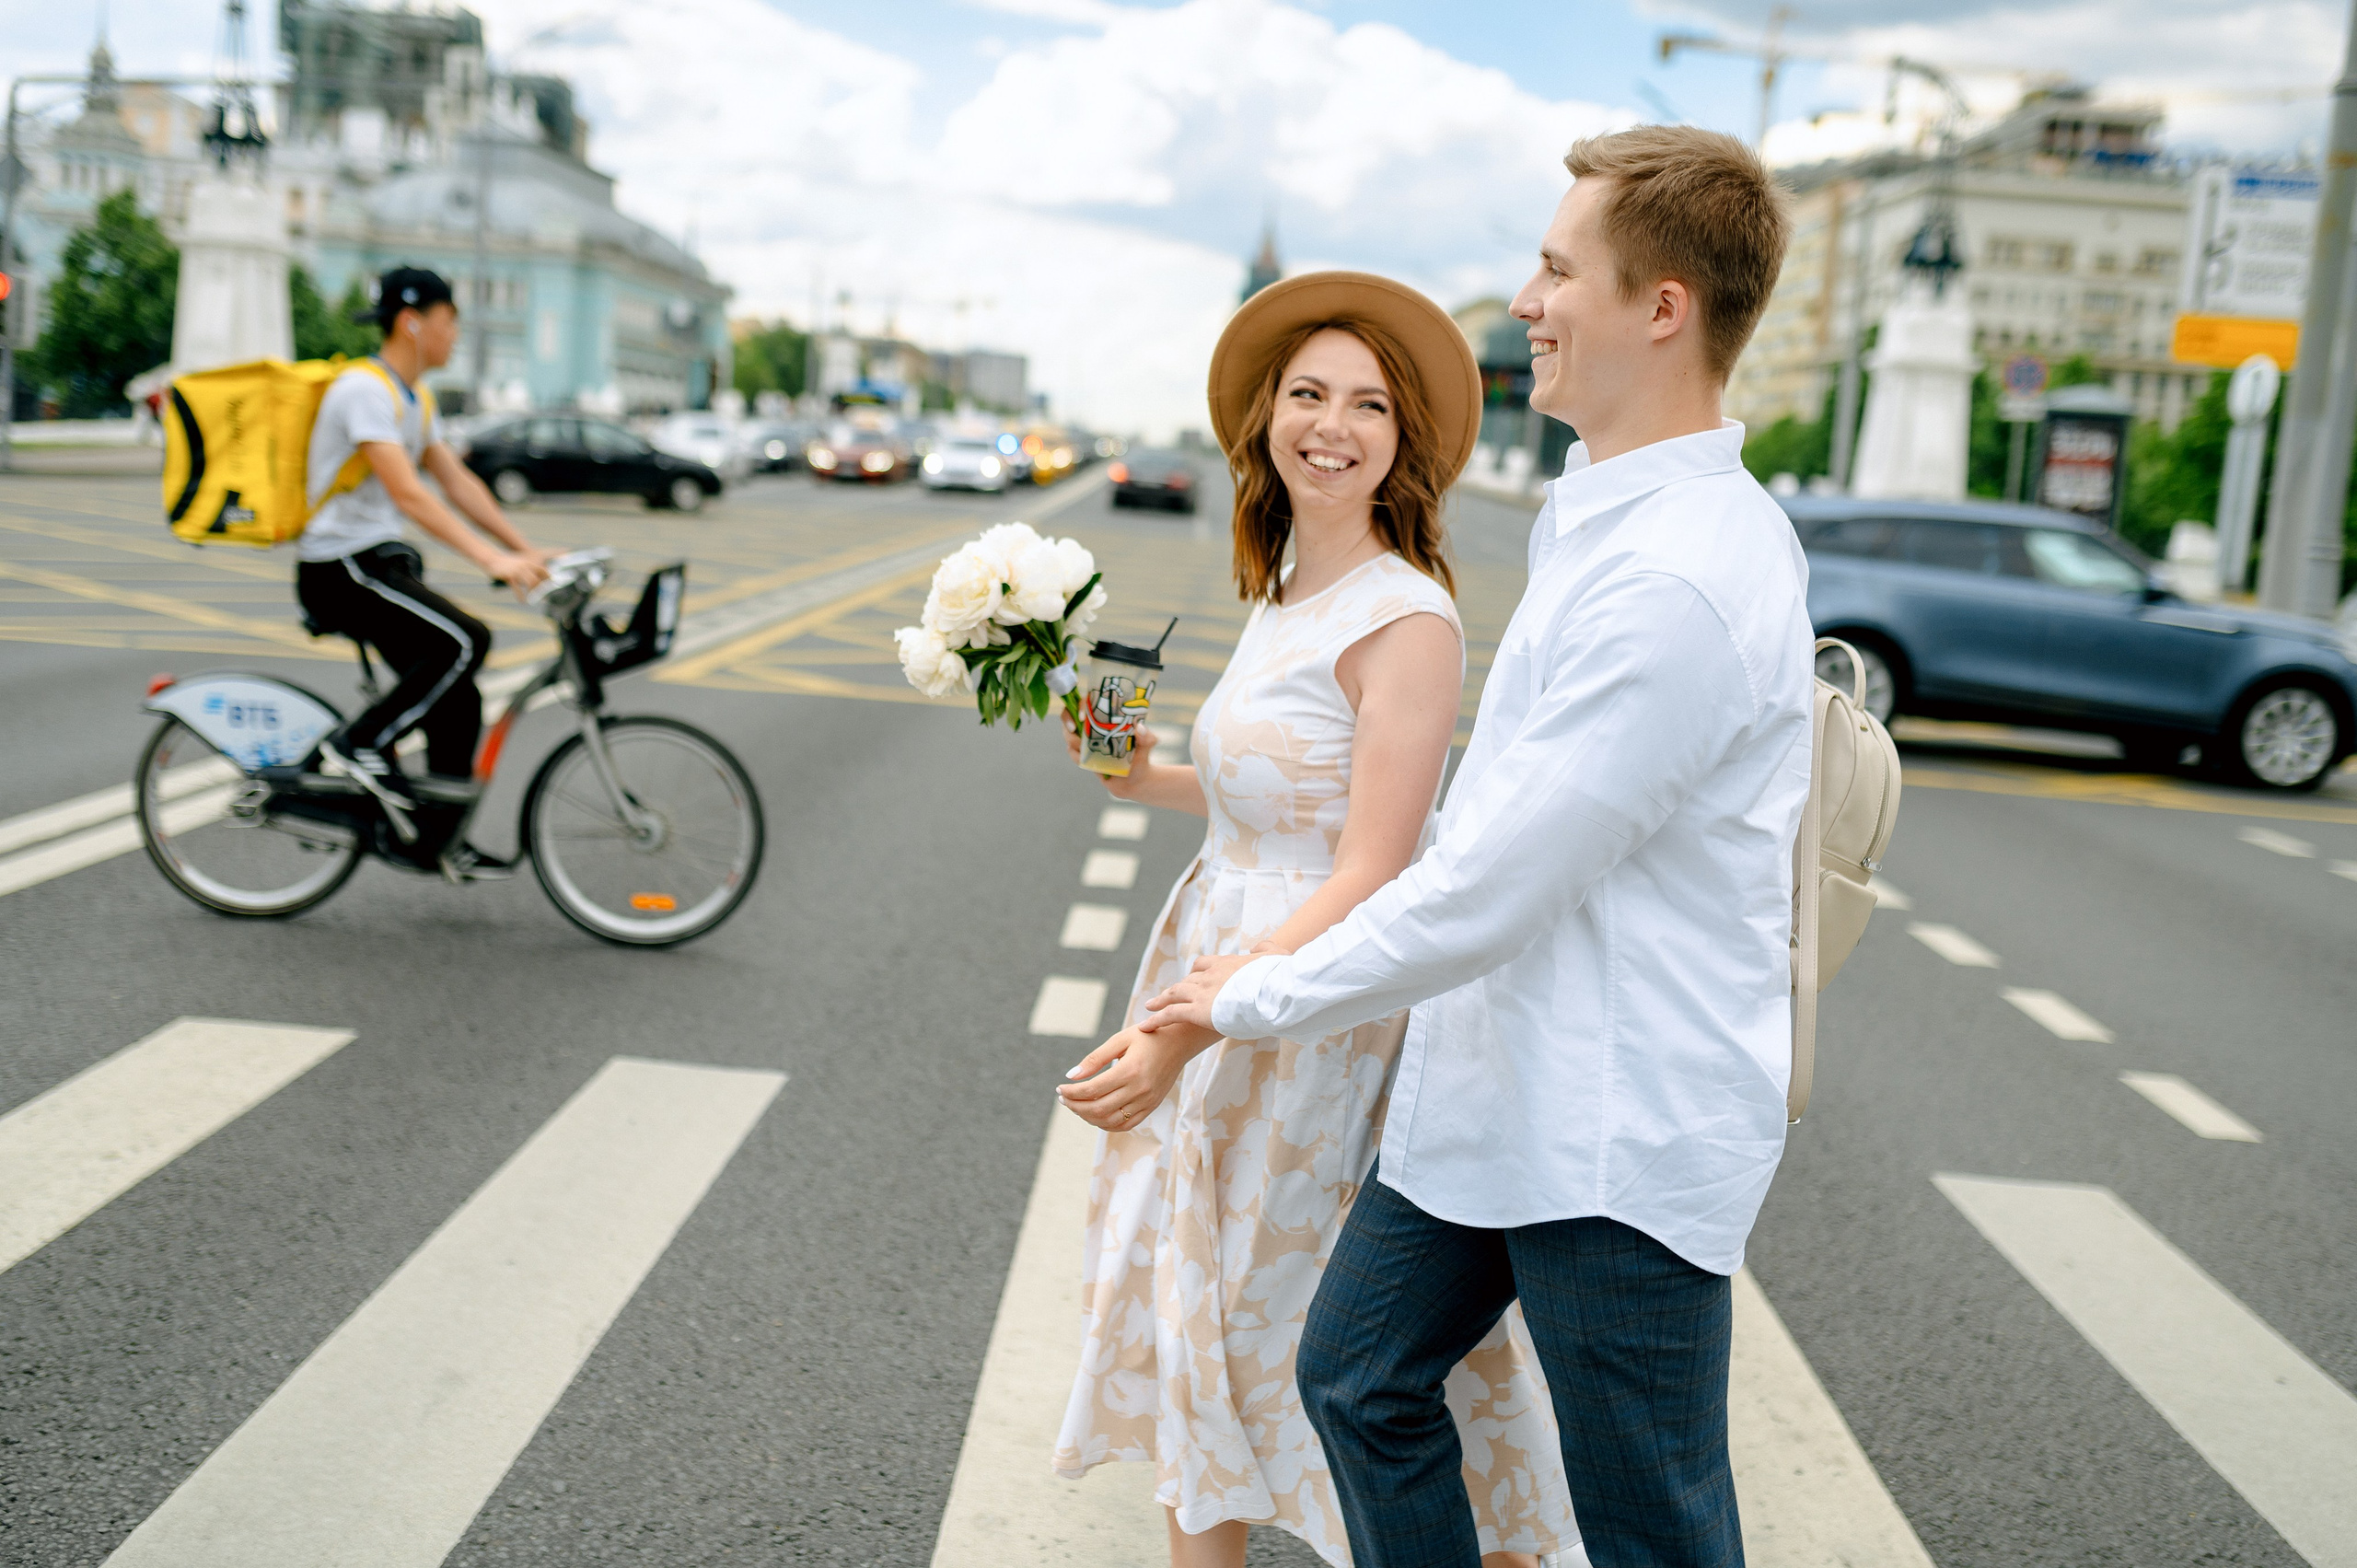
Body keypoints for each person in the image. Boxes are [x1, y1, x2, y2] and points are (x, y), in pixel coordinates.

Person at [1137, 126, 1812, 1568]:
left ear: (1663, 307)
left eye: (1560, 269)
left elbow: (1493, 881)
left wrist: (1238, 996)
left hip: (1610, 1131)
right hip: (1491, 1100)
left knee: (1655, 1526)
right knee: (1359, 1376)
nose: (1527, 300)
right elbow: (1486, 834)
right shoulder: (1598, 525)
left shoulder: (1683, 575)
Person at [1051, 273, 1578, 1568]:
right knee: (1214, 1311)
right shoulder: (1287, 585)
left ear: (1404, 440)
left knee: (1274, 1320)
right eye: (1307, 395)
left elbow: (1372, 867)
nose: (1330, 425)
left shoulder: (1408, 614)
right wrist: (1138, 773)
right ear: (1267, 420)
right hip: (1230, 966)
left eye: (1367, 404)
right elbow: (1266, 808)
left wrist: (1197, 1020)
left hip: (1313, 1011)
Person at [294, 266, 557, 870]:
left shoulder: (415, 397)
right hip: (340, 568)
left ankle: (435, 841)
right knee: (467, 638)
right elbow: (410, 495)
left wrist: (522, 547)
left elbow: (456, 480)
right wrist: (492, 559)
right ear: (413, 323)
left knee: (460, 699)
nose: (455, 336)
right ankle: (356, 746)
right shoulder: (364, 389)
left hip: (377, 565)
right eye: (449, 323)